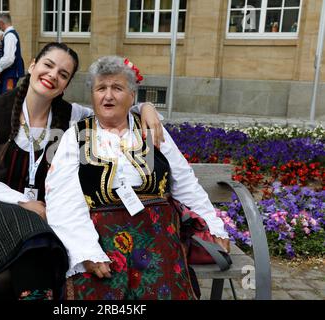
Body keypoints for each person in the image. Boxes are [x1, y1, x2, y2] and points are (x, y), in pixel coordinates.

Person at [0, 43, 164, 300]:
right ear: (33, 65)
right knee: (7, 272)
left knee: (44, 253)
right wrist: (24, 202)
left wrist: (145, 107)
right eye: (48, 65)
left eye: (63, 74)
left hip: (46, 214)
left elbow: (112, 107)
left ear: (66, 84)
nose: (52, 75)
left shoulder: (73, 116)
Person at [45, 56, 230, 300]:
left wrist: (213, 226)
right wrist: (86, 250)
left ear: (132, 95)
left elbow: (185, 183)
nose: (108, 96)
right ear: (92, 95)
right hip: (101, 238)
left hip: (157, 236)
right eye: (101, 88)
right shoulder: (77, 136)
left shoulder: (151, 131)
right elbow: (62, 198)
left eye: (117, 88)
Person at [0, 13, 25, 94]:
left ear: (1, 23)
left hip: (10, 74)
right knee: (5, 98)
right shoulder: (8, 35)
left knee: (7, 98)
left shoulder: (10, 36)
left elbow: (9, 58)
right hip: (9, 74)